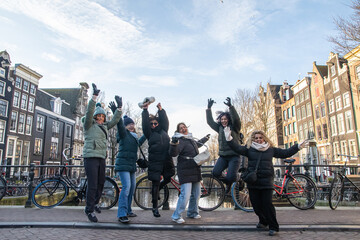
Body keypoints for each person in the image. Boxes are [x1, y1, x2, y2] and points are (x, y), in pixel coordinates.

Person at [224, 127, 308, 236]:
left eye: (260, 138)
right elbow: (236, 148)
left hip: (267, 181)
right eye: (256, 138)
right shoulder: (249, 149)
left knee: (267, 204)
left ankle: (274, 227)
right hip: (253, 181)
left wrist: (298, 146)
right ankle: (263, 221)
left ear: (265, 139)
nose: (258, 139)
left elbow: (285, 153)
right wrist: (228, 138)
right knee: (256, 205)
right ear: (253, 139)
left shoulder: (271, 149)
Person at [82, 84, 122, 222]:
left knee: (100, 183)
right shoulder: (88, 125)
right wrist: (94, 96)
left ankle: (95, 203)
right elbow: (88, 113)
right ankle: (89, 210)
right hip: (90, 157)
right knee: (92, 184)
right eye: (98, 116)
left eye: (102, 116)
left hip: (101, 158)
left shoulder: (105, 126)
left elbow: (116, 120)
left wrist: (119, 108)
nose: (100, 118)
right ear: (95, 117)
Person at [109, 100, 146, 223]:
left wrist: (147, 132)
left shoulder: (134, 137)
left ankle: (129, 210)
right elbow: (119, 124)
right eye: (129, 124)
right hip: (123, 164)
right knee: (126, 187)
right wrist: (117, 111)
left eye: (133, 124)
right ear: (125, 126)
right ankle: (121, 214)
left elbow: (141, 141)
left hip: (131, 165)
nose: (132, 125)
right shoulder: (124, 134)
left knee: (132, 188)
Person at [169, 123, 210, 224]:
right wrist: (174, 144)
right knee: (185, 194)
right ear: (178, 131)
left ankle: (192, 212)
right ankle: (176, 216)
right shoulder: (180, 140)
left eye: (184, 127)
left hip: (194, 168)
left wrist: (205, 138)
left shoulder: (190, 139)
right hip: (185, 169)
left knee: (196, 194)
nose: (183, 129)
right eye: (181, 128)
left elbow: (197, 144)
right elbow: (173, 153)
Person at [141, 101, 175, 217]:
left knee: (169, 177)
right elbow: (145, 124)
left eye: (155, 123)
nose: (153, 125)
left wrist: (161, 110)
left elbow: (165, 121)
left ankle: (160, 187)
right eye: (152, 124)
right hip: (155, 160)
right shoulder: (149, 133)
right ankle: (155, 207)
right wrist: (145, 110)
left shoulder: (164, 130)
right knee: (155, 183)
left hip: (166, 158)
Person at [206, 97, 242, 192]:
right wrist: (209, 109)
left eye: (225, 119)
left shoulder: (234, 128)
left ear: (229, 120)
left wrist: (231, 107)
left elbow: (237, 120)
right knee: (215, 173)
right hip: (223, 156)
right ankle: (227, 182)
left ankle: (239, 179)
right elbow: (210, 122)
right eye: (222, 119)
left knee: (231, 177)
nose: (223, 121)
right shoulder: (219, 128)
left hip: (234, 156)